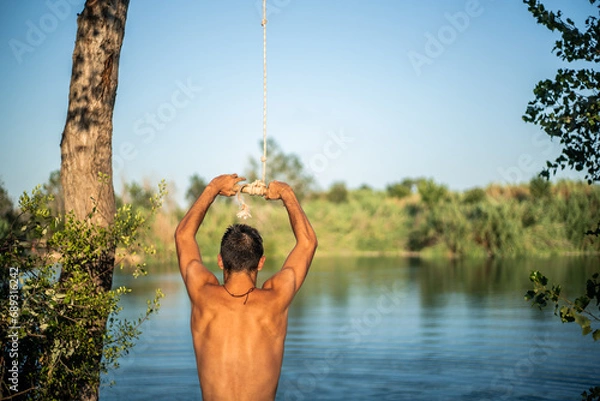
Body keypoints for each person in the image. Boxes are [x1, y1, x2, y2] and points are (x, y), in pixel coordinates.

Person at [174, 173, 318, 401]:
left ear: (221, 260)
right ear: (261, 263)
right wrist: (286, 194)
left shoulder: (202, 293)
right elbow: (308, 242)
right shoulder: (276, 298)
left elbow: (183, 235)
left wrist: (212, 189)